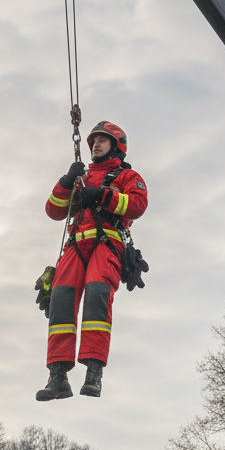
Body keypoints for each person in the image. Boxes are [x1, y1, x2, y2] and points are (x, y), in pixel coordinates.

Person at [36, 120, 148, 400]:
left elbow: (136, 205)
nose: (95, 144)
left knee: (98, 298)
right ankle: (58, 376)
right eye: (94, 141)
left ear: (116, 147)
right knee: (61, 302)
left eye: (102, 140)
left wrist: (101, 195)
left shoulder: (127, 176)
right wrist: (65, 182)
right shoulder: (80, 178)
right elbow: (53, 210)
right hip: (75, 246)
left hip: (105, 243)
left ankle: (94, 373)